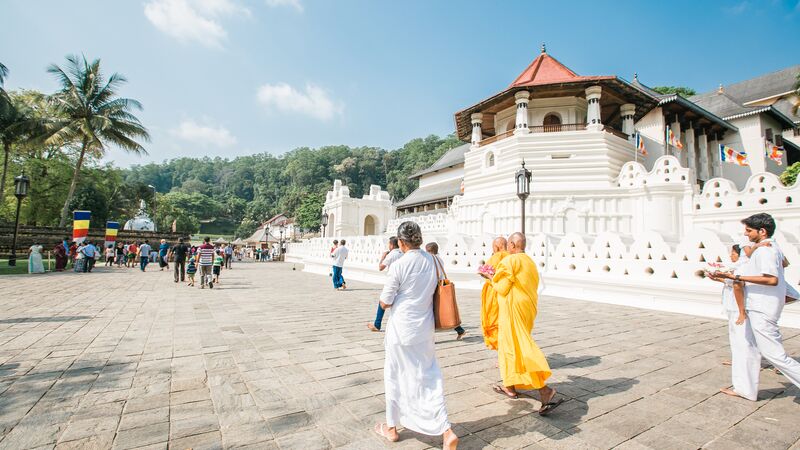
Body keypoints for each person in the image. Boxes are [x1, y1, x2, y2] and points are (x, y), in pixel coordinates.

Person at [374, 221, 458, 449]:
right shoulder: (433, 260)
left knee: (394, 374)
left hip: (401, 330)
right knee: (429, 375)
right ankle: (446, 430)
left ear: (401, 243)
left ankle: (391, 427)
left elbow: (385, 300)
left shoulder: (399, 265)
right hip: (424, 329)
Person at [711, 213, 800, 400]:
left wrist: (735, 277)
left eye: (749, 230)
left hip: (762, 308)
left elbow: (771, 279)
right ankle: (745, 389)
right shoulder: (767, 248)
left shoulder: (766, 250)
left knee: (774, 355)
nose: (746, 234)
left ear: (762, 231)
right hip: (759, 305)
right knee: (750, 346)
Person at [491, 232, 563, 415]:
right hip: (527, 309)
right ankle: (510, 385)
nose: (507, 248)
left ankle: (544, 389)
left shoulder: (509, 261)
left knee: (520, 347)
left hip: (513, 309)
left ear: (513, 245)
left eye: (508, 245)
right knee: (511, 346)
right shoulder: (530, 262)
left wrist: (490, 279)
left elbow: (502, 288)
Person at [426, 242, 467, 340]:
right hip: (440, 285)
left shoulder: (431, 259)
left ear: (429, 251)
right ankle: (459, 330)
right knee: (443, 310)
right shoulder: (439, 259)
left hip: (434, 287)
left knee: (430, 312)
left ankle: (429, 337)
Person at [368, 237, 404, 332]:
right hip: (403, 282)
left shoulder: (392, 254)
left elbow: (381, 267)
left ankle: (377, 324)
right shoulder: (403, 253)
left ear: (391, 245)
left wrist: (383, 257)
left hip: (392, 281)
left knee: (382, 302)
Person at [479, 237, 509, 350]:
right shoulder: (510, 257)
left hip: (494, 292)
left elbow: (484, 271)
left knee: (494, 321)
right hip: (507, 292)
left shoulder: (497, 256)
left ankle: (502, 352)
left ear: (496, 246)